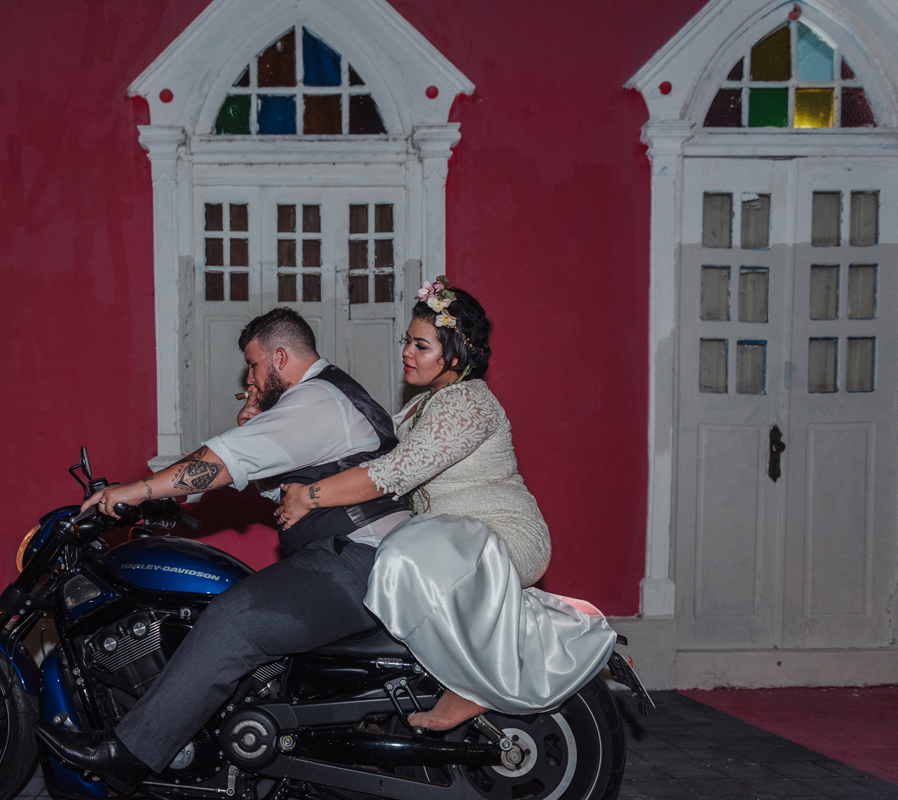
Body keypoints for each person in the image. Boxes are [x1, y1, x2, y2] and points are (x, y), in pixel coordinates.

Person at [35, 307, 411, 792]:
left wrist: (135, 491)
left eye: (253, 366)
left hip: (357, 557)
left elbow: (219, 463)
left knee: (232, 620)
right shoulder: (326, 397)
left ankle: (128, 755)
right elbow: (277, 477)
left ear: (280, 357)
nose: (249, 378)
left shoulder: (316, 399)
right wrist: (256, 430)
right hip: (355, 553)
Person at [276, 278, 616, 731]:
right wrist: (275, 426)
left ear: (456, 355)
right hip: (455, 539)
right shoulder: (423, 406)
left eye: (421, 346)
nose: (407, 353)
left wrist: (309, 496)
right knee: (398, 551)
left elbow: (393, 472)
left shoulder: (468, 403)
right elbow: (359, 452)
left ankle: (473, 689)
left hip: (502, 536)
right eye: (407, 341)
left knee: (402, 552)